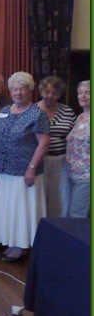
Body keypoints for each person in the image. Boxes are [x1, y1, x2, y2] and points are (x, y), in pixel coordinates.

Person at [0, 72, 49, 263]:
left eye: (22, 89)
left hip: (25, 173)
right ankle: (12, 243)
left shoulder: (37, 114)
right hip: (4, 170)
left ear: (30, 91)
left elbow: (43, 144)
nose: (18, 93)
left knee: (22, 210)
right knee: (9, 209)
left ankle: (21, 246)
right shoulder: (6, 110)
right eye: (15, 89)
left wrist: (31, 168)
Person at [36, 75, 76, 217]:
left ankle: (56, 227)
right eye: (47, 92)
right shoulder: (33, 111)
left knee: (59, 199)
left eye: (55, 93)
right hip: (38, 161)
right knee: (39, 198)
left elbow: (74, 136)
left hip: (60, 162)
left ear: (60, 94)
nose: (50, 96)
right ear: (41, 91)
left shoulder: (67, 111)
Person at [65, 80, 90, 218]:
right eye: (80, 93)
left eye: (88, 93)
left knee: (76, 215)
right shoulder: (80, 116)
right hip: (71, 173)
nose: (83, 96)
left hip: (86, 176)